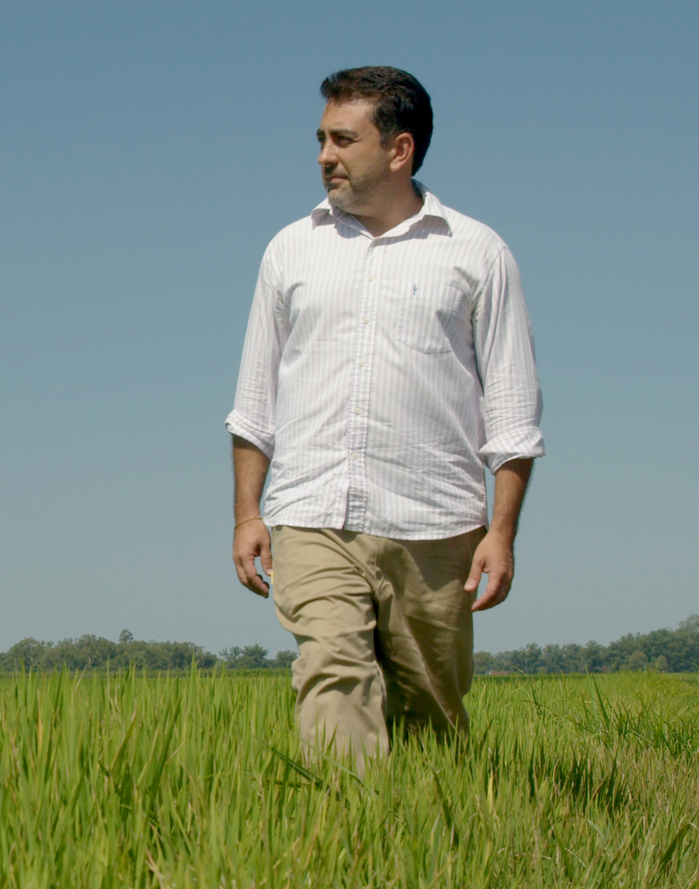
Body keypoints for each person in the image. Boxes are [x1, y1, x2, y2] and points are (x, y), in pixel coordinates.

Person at [225, 66, 543, 767]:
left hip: (434, 524)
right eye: (319, 138)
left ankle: (425, 849)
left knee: (430, 713)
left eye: (342, 139)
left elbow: (514, 414)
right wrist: (247, 511)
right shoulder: (290, 249)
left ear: (398, 150)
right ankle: (344, 842)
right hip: (311, 513)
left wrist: (501, 531)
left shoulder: (476, 252)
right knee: (332, 672)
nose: (322, 156)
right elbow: (254, 402)